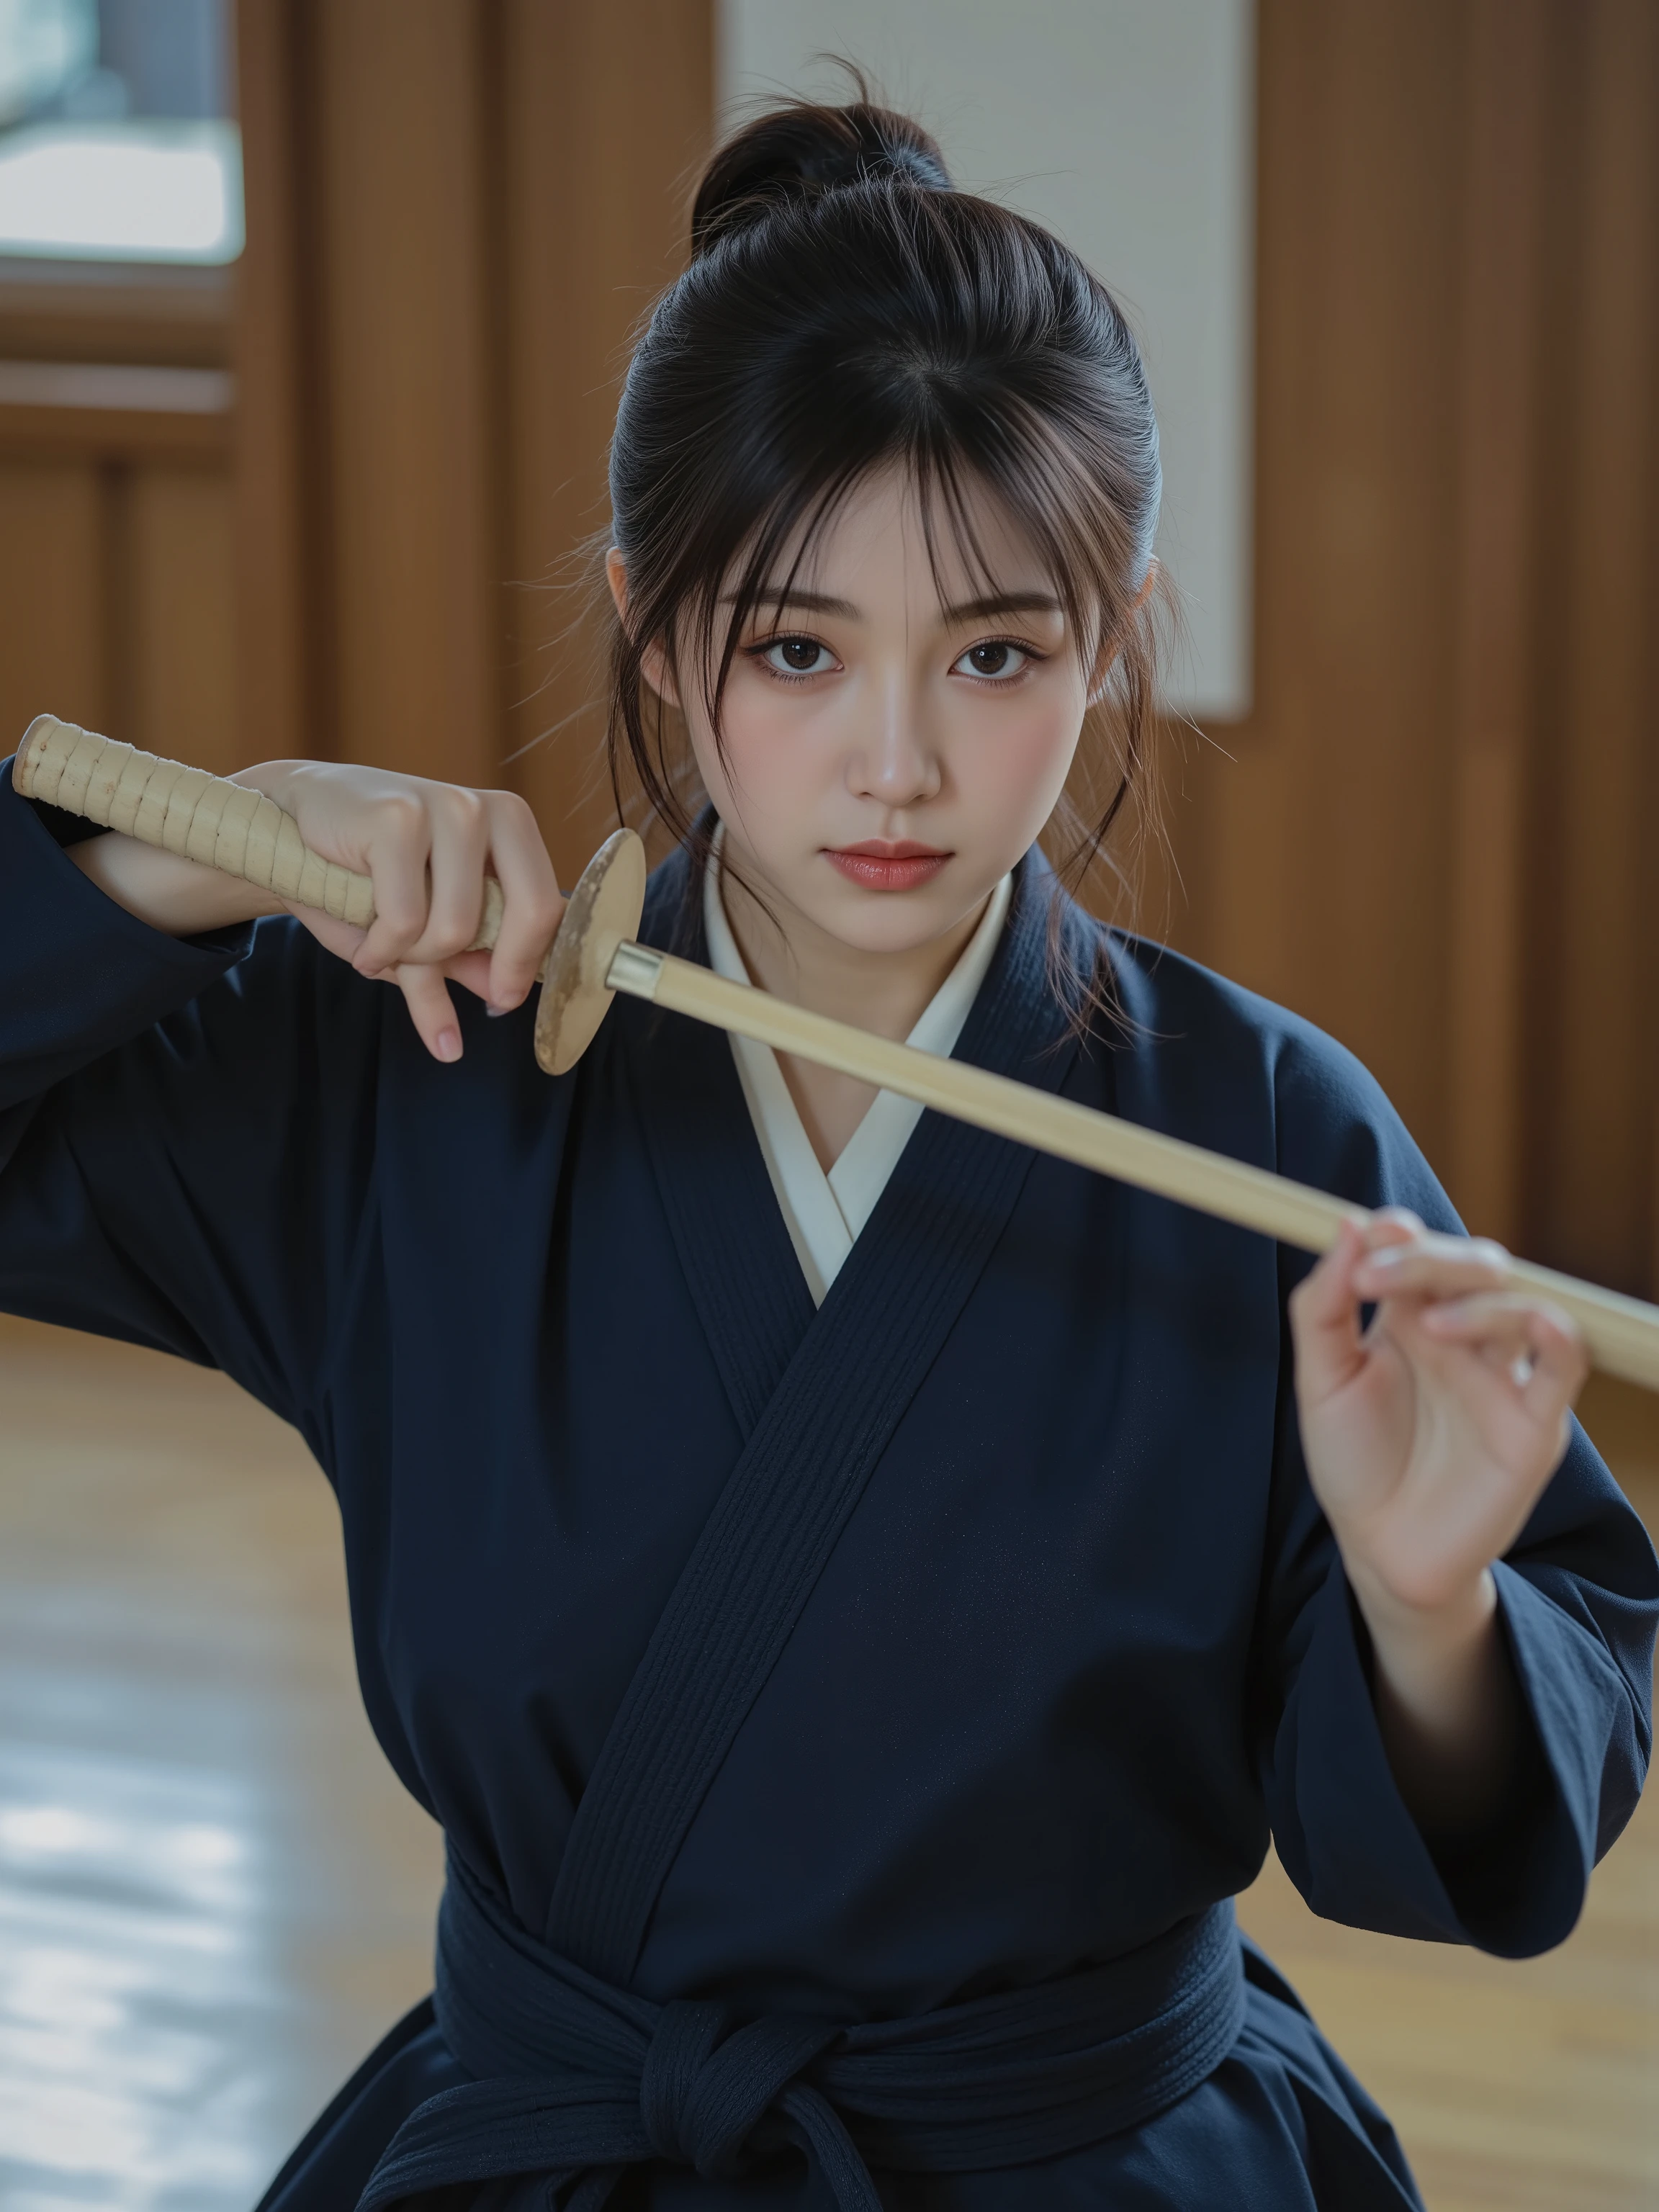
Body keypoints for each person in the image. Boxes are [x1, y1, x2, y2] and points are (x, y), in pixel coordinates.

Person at [1, 91, 1654, 2212]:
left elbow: (1493, 1799)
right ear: (660, 623)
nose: (899, 764)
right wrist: (200, 850)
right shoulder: (413, 1064)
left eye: (996, 655)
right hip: (570, 2146)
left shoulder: (1270, 1139)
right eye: (798, 648)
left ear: (1114, 637)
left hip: (1096, 2161)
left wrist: (1427, 1607)